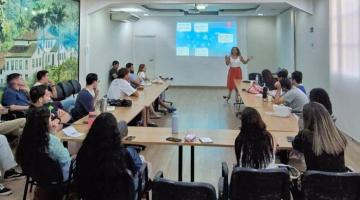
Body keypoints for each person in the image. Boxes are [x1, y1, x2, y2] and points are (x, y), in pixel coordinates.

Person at [75, 113, 142, 200]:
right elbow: (133, 171)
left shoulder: (83, 152)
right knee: (144, 164)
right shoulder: (120, 154)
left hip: (89, 195)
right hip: (118, 195)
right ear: (115, 133)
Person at [16, 107, 71, 179]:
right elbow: (65, 161)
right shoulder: (51, 141)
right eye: (51, 119)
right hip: (57, 177)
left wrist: (52, 133)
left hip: (36, 176)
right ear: (46, 123)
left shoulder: (25, 138)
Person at [292, 102, 347, 172]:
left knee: (292, 163)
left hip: (315, 181)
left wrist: (301, 129)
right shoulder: (338, 136)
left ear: (306, 120)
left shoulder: (305, 136)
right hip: (341, 180)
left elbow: (295, 145)